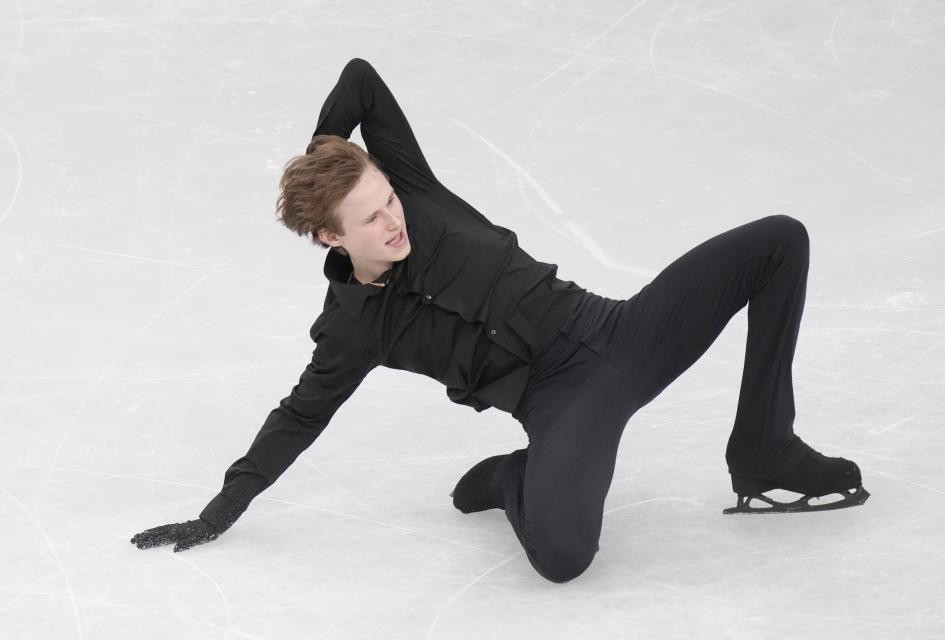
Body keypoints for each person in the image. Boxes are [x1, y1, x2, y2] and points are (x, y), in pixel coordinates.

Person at [131, 57, 869, 583]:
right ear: (329, 236)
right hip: (563, 404)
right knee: (563, 558)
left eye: (388, 198)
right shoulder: (352, 329)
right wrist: (218, 512)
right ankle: (516, 479)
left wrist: (328, 157)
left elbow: (360, 77)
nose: (394, 221)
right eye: (370, 218)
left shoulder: (413, 190)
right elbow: (298, 417)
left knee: (779, 241)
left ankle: (765, 446)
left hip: (624, 332)